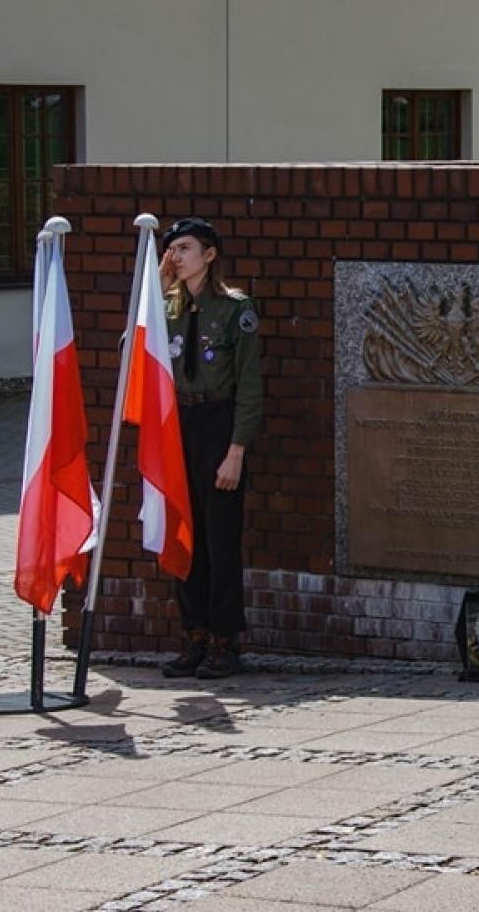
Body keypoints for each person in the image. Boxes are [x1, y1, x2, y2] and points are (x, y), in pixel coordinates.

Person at [155, 217, 263, 679]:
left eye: (184, 248)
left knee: (219, 540)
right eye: (171, 250)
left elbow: (251, 388)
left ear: (210, 254)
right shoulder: (166, 309)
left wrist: (236, 451)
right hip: (178, 425)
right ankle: (194, 633)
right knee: (185, 534)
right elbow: (133, 354)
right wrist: (154, 292)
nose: (175, 257)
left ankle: (225, 639)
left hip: (219, 425)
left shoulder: (235, 309)